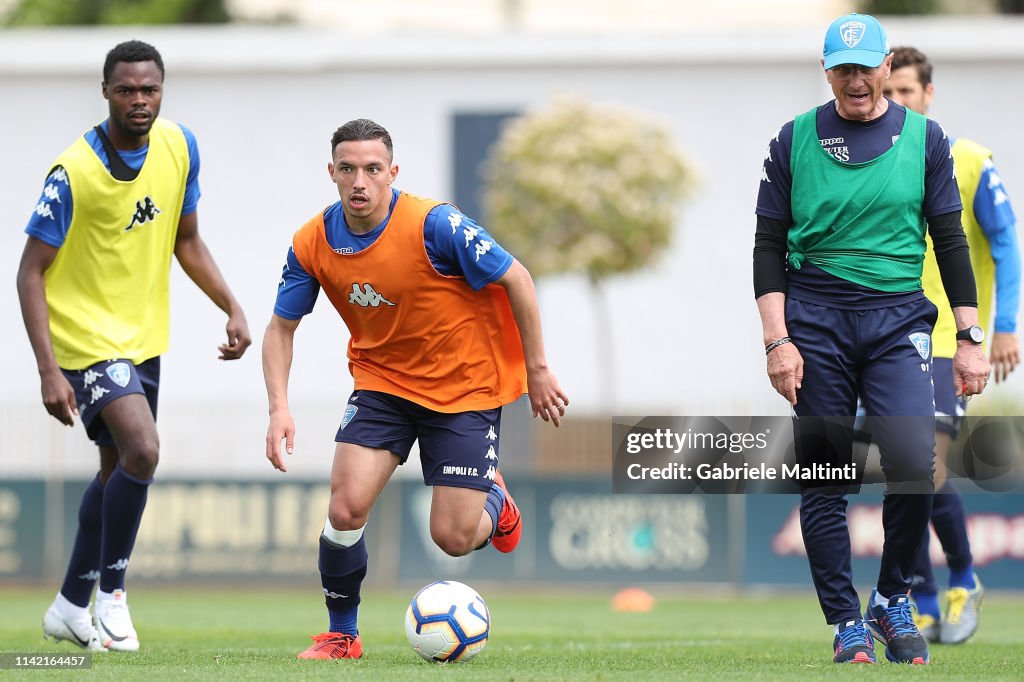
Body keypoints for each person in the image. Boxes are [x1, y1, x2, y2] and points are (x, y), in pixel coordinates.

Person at [262, 118, 568, 660]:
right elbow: (281, 329)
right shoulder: (311, 242)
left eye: (373, 169)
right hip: (383, 384)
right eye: (349, 169)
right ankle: (342, 635)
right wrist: (279, 407)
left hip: (466, 388)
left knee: (451, 539)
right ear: (331, 173)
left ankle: (495, 500)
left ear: (392, 172)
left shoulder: (436, 225)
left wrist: (539, 369)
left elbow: (516, 276)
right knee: (345, 508)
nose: (361, 181)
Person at [753, 14, 991, 665]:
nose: (856, 80)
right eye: (843, 68)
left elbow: (948, 240)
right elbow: (769, 247)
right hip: (816, 321)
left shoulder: (926, 139)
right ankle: (845, 622)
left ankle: (891, 599)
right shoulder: (793, 139)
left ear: (887, 67)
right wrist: (777, 340)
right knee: (827, 475)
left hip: (896, 323)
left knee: (916, 459)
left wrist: (970, 335)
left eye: (866, 67)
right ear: (827, 71)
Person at [16, 40, 251, 652]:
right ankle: (113, 596)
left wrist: (230, 304)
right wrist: (47, 369)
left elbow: (187, 238)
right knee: (143, 452)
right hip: (85, 340)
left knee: (116, 472)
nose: (139, 100)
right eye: (127, 90)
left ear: (162, 89)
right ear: (106, 92)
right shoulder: (72, 173)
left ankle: (69, 605)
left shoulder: (179, 147)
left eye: (149, 89)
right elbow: (29, 272)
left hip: (143, 337)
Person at [882, 45, 1019, 645]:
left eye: (906, 92)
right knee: (902, 473)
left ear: (928, 95)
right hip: (886, 337)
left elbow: (1007, 244)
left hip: (945, 338)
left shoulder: (967, 160)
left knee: (925, 466)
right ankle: (925, 599)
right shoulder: (873, 162)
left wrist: (1004, 327)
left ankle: (961, 579)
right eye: (888, 93)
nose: (896, 103)